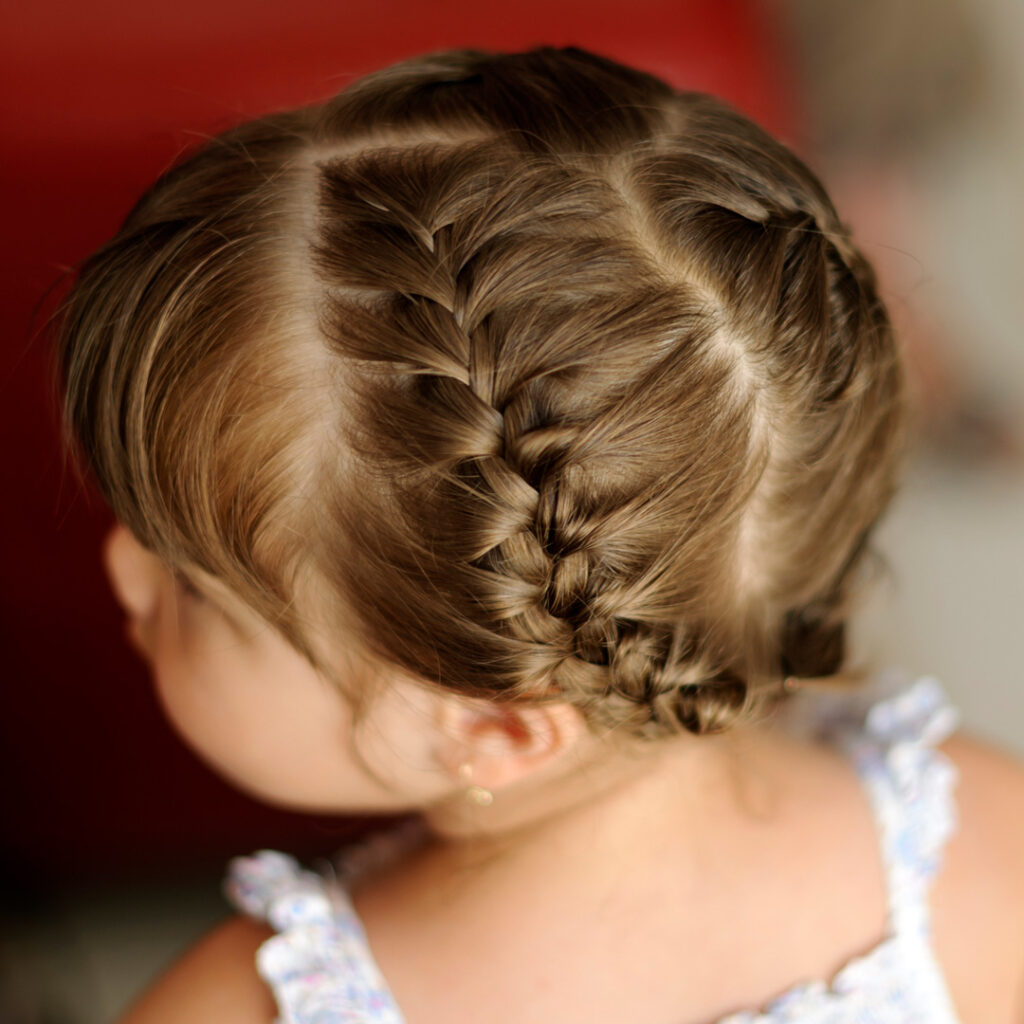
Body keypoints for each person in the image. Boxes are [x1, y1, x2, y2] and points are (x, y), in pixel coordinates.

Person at [54, 46, 1024, 1024]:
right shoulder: (977, 849)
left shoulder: (235, 1009)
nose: (121, 568)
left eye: (191, 586)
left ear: (493, 730)